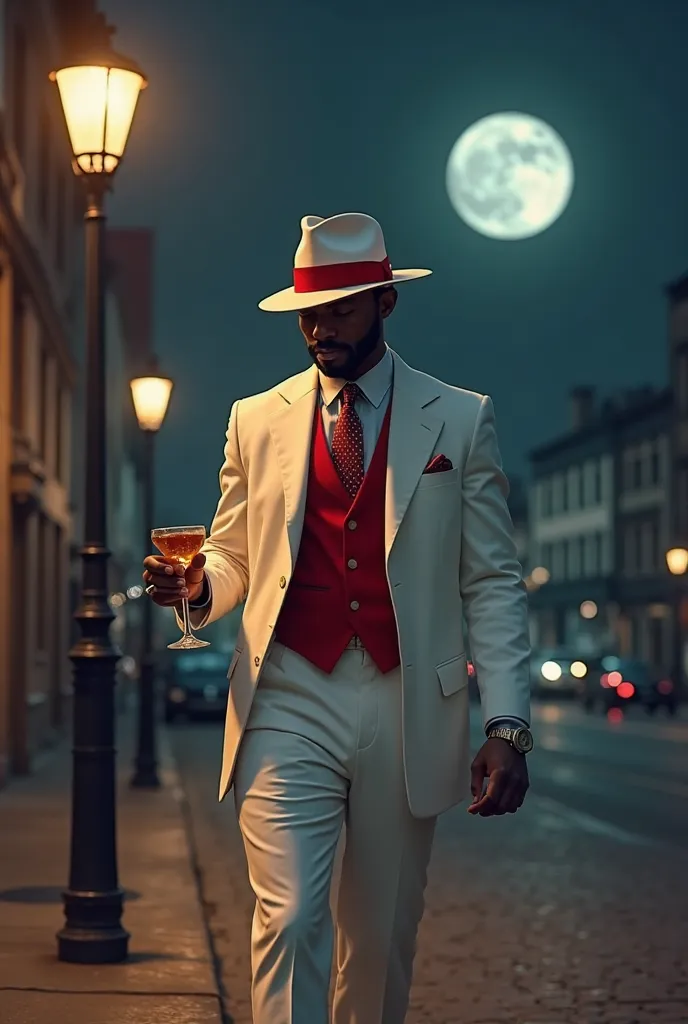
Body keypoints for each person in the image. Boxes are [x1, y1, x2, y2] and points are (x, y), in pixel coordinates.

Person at [143, 212, 533, 1024]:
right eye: (309, 313)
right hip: (287, 692)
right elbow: (233, 554)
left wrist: (506, 723)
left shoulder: (459, 419)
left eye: (341, 310)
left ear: (386, 303)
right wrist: (196, 588)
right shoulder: (256, 418)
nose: (320, 329)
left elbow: (492, 580)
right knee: (286, 918)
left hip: (404, 700)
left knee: (379, 934)